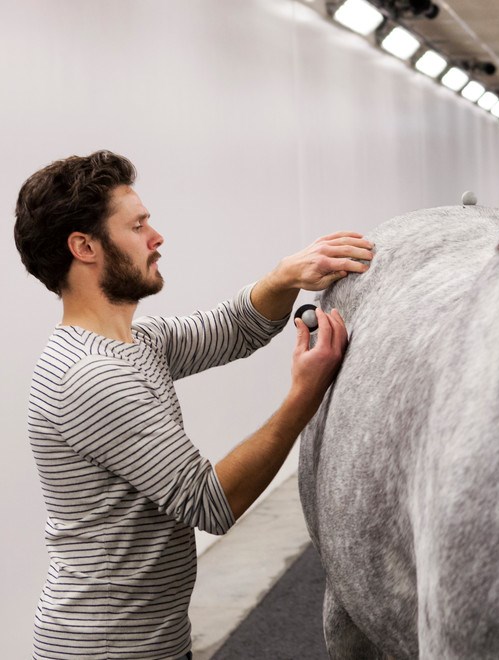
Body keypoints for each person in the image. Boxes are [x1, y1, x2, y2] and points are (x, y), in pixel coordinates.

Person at [13, 150, 374, 660]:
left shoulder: (134, 344)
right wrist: (304, 395)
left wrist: (286, 275)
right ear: (84, 247)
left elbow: (233, 329)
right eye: (137, 226)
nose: (156, 239)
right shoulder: (91, 376)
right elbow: (211, 502)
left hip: (150, 643)